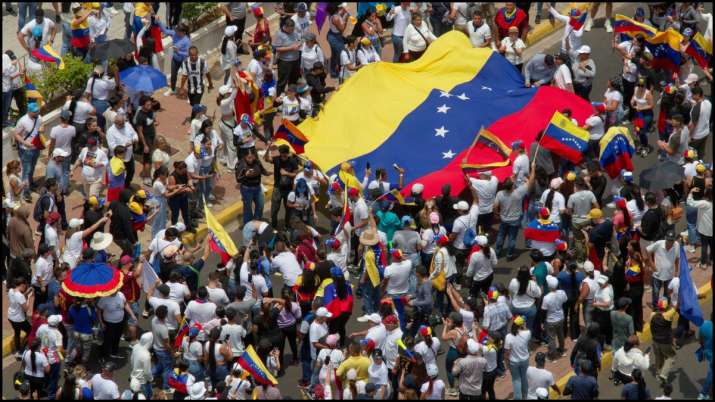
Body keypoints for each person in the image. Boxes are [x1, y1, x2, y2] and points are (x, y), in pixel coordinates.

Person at [13, 102, 43, 202]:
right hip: (26, 150)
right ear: (29, 111)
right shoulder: (22, 121)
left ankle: (30, 183)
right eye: (35, 111)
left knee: (32, 167)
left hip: (36, 148)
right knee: (26, 171)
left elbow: (39, 129)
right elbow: (16, 134)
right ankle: (26, 192)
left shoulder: (39, 118)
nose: (37, 112)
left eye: (37, 110)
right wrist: (25, 143)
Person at [273, 18, 302, 95]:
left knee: (294, 80)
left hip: (295, 60)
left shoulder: (294, 31)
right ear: (285, 27)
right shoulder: (279, 34)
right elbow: (277, 48)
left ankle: (292, 95)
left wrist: (299, 43)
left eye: (293, 29)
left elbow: (299, 39)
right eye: (290, 30)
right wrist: (291, 48)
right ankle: (279, 99)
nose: (292, 31)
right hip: (285, 62)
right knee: (282, 82)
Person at [505, 315, 531, 400]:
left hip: (514, 362)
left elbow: (506, 353)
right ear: (522, 325)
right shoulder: (527, 333)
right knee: (524, 378)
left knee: (516, 380)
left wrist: (507, 364)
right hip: (525, 360)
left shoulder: (508, 337)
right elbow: (526, 330)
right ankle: (525, 396)